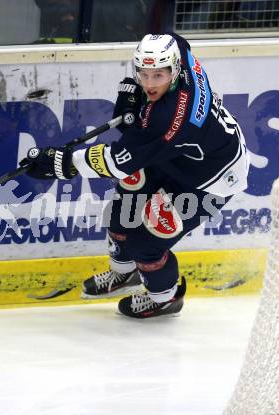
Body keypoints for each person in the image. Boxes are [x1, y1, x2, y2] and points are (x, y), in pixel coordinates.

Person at [20, 33, 250, 319]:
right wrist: (136, 94)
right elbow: (174, 38)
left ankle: (164, 299)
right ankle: (124, 273)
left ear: (174, 71)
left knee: (147, 243)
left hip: (210, 179)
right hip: (180, 155)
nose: (150, 83)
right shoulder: (177, 50)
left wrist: (61, 163)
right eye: (143, 74)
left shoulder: (172, 117)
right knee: (122, 210)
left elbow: (117, 161)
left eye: (158, 76)